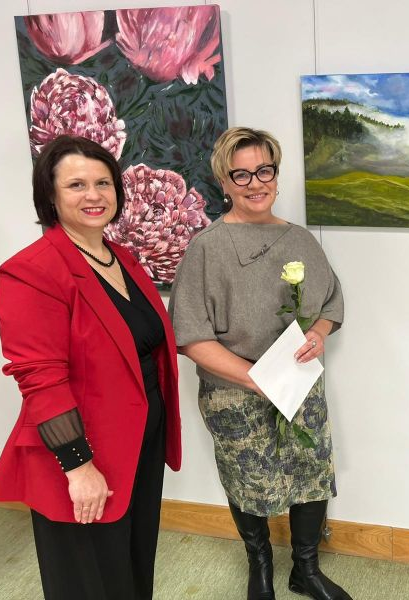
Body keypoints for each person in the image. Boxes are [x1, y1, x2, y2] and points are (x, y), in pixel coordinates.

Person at [0, 135, 181, 599]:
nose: (93, 195)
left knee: (132, 565)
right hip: (82, 451)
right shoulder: (32, 270)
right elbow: (41, 379)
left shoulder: (122, 257)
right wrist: (79, 466)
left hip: (140, 440)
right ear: (50, 196)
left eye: (103, 183)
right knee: (89, 581)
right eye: (76, 184)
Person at [169, 127, 351, 600]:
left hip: (299, 385)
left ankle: (305, 569)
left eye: (264, 171)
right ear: (224, 183)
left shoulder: (301, 240)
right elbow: (190, 336)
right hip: (234, 391)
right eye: (241, 175)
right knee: (247, 478)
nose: (256, 183)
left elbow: (331, 303)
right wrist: (254, 379)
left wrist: (318, 333)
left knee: (311, 472)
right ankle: (261, 567)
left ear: (276, 174)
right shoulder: (206, 248)